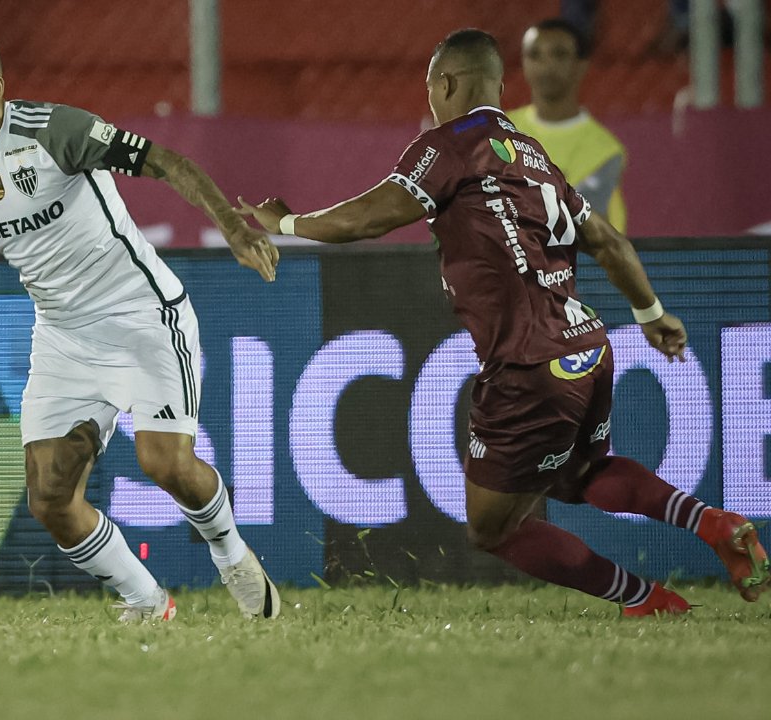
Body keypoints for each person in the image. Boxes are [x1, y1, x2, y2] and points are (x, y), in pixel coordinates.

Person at [238, 28, 770, 615]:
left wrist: (284, 223)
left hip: (529, 366)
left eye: (431, 87)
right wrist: (652, 313)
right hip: (586, 347)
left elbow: (366, 220)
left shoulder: (444, 146)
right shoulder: (536, 157)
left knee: (492, 529)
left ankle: (646, 599)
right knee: (580, 474)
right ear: (500, 84)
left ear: (444, 84)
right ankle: (715, 523)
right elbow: (609, 242)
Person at [0, 31, 282, 622]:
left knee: (166, 465)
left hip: (142, 315)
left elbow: (167, 162)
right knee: (50, 498)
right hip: (62, 337)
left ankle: (231, 553)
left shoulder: (54, 131)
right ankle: (148, 603)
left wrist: (233, 229)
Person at [510, 17, 629, 233]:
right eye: (534, 55)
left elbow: (585, 232)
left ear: (581, 65)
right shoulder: (497, 129)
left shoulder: (605, 150)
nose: (546, 66)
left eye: (559, 54)